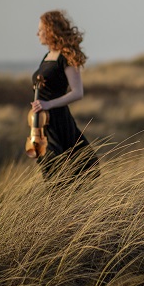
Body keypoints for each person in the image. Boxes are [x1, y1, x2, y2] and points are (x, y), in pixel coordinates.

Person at [30, 10, 99, 181]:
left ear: (51, 30)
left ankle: (71, 204)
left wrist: (48, 104)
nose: (37, 33)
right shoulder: (47, 56)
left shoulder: (65, 57)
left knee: (69, 166)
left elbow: (78, 93)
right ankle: (60, 205)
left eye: (41, 29)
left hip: (58, 119)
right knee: (50, 168)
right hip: (42, 122)